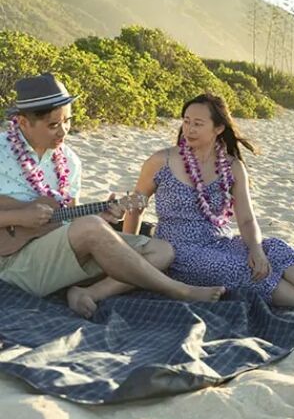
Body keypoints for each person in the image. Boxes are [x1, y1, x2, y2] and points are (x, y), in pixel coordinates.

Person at [124, 93, 294, 329]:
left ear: (219, 128)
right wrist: (129, 250)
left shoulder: (232, 167)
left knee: (275, 249)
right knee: (245, 270)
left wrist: (256, 249)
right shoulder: (161, 161)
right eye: (186, 121)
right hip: (178, 249)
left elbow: (246, 219)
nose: (189, 129)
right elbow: (135, 208)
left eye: (198, 123)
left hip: (219, 241)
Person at [0, 73, 225, 319]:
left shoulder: (69, 162)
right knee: (91, 228)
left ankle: (87, 293)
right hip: (11, 263)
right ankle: (179, 290)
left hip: (54, 257)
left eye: (68, 121)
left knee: (162, 251)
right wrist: (19, 216)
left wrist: (101, 215)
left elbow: (69, 222)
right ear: (23, 122)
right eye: (53, 125)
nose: (63, 131)